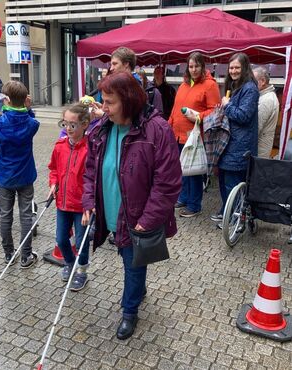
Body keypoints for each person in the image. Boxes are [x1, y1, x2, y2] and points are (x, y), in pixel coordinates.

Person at [82, 71, 182, 340]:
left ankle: (130, 311)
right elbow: (90, 170)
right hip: (109, 212)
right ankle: (137, 292)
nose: (103, 108)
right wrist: (89, 201)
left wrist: (147, 220)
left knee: (132, 265)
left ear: (128, 101)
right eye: (103, 101)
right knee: (135, 264)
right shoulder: (103, 127)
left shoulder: (157, 129)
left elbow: (168, 183)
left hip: (137, 217)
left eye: (109, 102)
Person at [0, 81, 39, 268]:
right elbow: (32, 120)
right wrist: (29, 109)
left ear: (7, 100)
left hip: (6, 178)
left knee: (6, 216)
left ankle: (9, 254)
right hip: (25, 176)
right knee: (26, 216)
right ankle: (26, 256)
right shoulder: (32, 123)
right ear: (25, 100)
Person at [169, 52, 220, 218]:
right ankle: (183, 197)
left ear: (202, 66)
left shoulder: (210, 85)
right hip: (178, 134)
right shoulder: (184, 84)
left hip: (194, 135)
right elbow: (176, 108)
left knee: (194, 171)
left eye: (197, 66)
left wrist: (198, 116)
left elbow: (215, 111)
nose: (194, 69)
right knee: (181, 169)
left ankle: (194, 205)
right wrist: (169, 124)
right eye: (191, 66)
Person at [48, 103, 91, 291]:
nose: (68, 128)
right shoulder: (59, 146)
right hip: (62, 203)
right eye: (64, 124)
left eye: (72, 125)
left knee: (81, 243)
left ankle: (81, 271)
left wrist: (89, 206)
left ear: (84, 125)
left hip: (81, 206)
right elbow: (54, 169)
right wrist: (53, 183)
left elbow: (93, 179)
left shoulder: (91, 149)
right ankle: (69, 263)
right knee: (61, 239)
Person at [213, 53, 259, 225]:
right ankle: (228, 215)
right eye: (231, 67)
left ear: (245, 68)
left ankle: (234, 220)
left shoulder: (250, 89)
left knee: (233, 185)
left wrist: (227, 105)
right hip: (229, 144)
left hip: (240, 146)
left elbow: (244, 115)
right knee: (225, 183)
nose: (233, 71)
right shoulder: (235, 86)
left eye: (237, 67)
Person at [253, 66, 279, 159]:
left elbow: (255, 128)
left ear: (263, 81)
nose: (250, 84)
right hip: (261, 149)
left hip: (259, 151)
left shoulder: (266, 100)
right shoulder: (267, 96)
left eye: (253, 81)